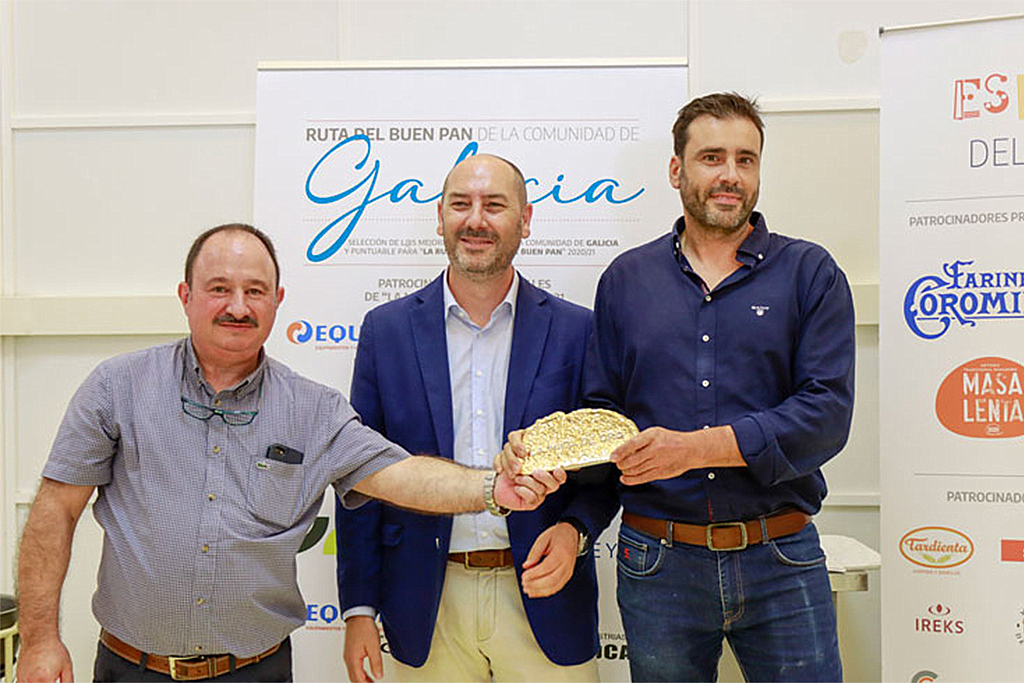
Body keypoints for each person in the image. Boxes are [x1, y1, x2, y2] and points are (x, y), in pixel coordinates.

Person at [15, 223, 566, 683]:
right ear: (185, 296)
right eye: (219, 289)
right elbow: (55, 510)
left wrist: (491, 487)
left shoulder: (313, 410)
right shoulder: (117, 387)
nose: (238, 306)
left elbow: (400, 475)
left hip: (257, 671)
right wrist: (39, 640)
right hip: (132, 668)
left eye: (255, 291)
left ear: (277, 301)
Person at [506, 92, 855, 682]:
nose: (730, 175)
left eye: (746, 159)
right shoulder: (626, 280)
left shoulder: (810, 274)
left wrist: (695, 449)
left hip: (781, 557)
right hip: (657, 564)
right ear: (676, 170)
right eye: (712, 157)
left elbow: (826, 414)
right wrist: (551, 463)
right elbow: (605, 423)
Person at [336, 154, 618, 683]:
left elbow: (604, 471)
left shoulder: (578, 331)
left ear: (525, 220)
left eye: (494, 205)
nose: (475, 220)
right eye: (460, 204)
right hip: (425, 605)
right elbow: (361, 477)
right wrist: (358, 609)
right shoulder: (386, 331)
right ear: (439, 217)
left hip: (544, 598)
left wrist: (575, 531)